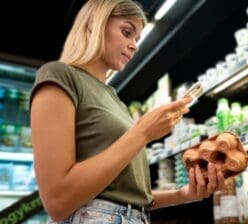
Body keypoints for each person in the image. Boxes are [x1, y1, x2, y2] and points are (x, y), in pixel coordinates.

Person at [29, 0, 225, 223]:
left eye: (137, 39)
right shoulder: (59, 74)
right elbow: (57, 200)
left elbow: (125, 194)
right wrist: (143, 132)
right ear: (95, 24)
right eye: (127, 32)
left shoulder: (115, 101)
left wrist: (183, 194)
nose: (134, 45)